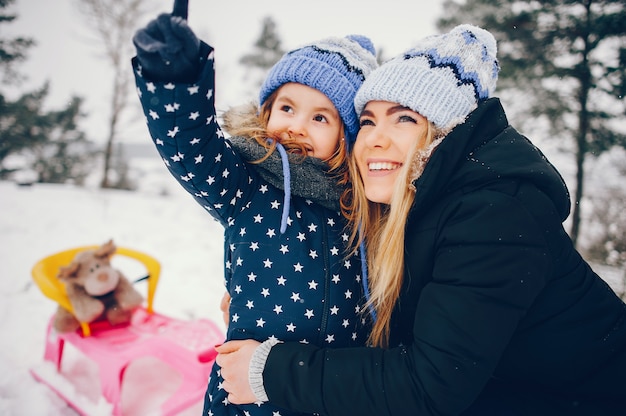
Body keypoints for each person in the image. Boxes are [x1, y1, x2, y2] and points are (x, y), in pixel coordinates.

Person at [214, 24, 626, 416]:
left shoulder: (492, 214)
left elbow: (429, 386)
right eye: (369, 120)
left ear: (442, 134)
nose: (374, 138)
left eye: (404, 118)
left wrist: (271, 371)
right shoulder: (415, 204)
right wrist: (283, 301)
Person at [130, 5, 379, 416]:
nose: (297, 125)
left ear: (346, 137)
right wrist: (174, 80)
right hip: (248, 400)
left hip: (334, 394)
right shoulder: (247, 186)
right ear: (266, 113)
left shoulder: (364, 210)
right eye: (286, 108)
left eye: (320, 116)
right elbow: (191, 150)